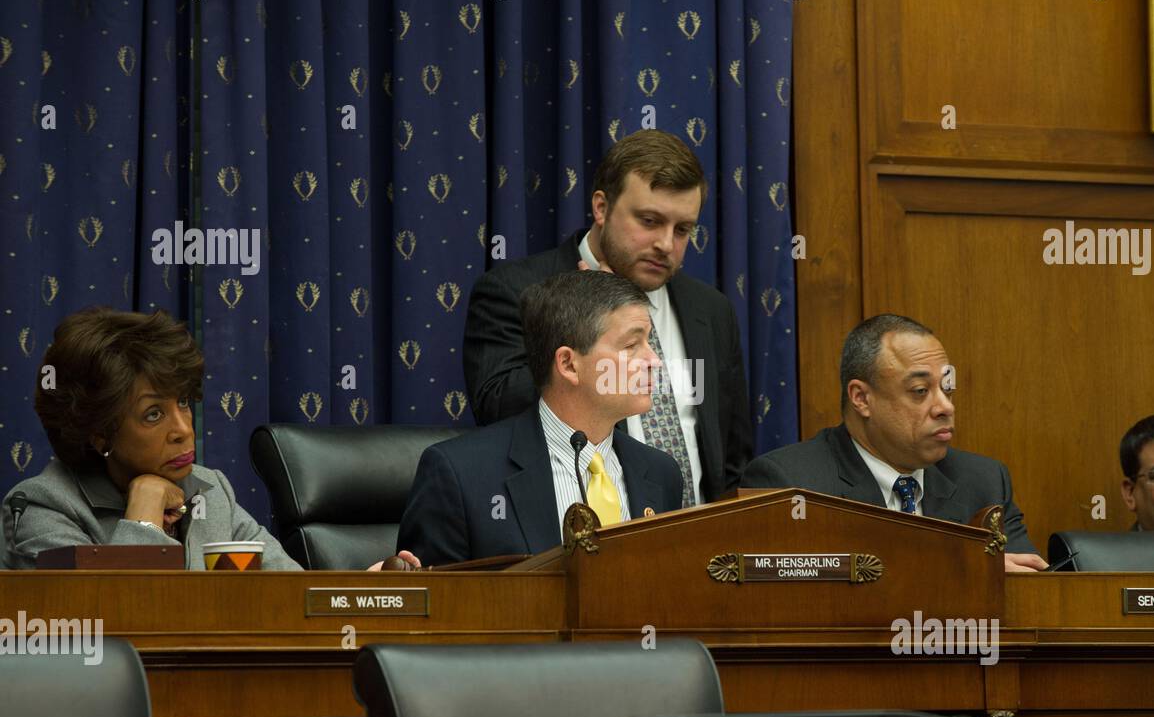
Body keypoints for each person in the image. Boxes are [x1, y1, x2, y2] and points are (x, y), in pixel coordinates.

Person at [1, 308, 418, 572]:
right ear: (99, 435)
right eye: (153, 414)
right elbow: (110, 629)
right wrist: (144, 513)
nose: (183, 427)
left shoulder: (209, 490)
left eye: (183, 402)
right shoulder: (43, 508)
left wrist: (360, 589)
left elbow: (285, 593)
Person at [463, 129, 751, 506]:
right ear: (601, 208)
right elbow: (496, 411)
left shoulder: (710, 310)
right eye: (649, 221)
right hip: (571, 537)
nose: (666, 244)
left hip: (695, 546)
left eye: (682, 230)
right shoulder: (515, 289)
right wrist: (585, 317)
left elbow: (731, 456)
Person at [399, 270, 684, 567]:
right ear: (568, 364)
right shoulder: (461, 476)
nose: (653, 361)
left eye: (649, 343)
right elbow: (430, 606)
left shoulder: (660, 473)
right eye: (631, 346)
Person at [741, 314, 1047, 573]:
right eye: (919, 390)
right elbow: (795, 604)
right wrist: (961, 572)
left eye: (947, 389)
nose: (945, 407)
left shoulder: (984, 481)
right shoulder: (791, 486)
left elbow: (1027, 589)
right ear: (861, 398)